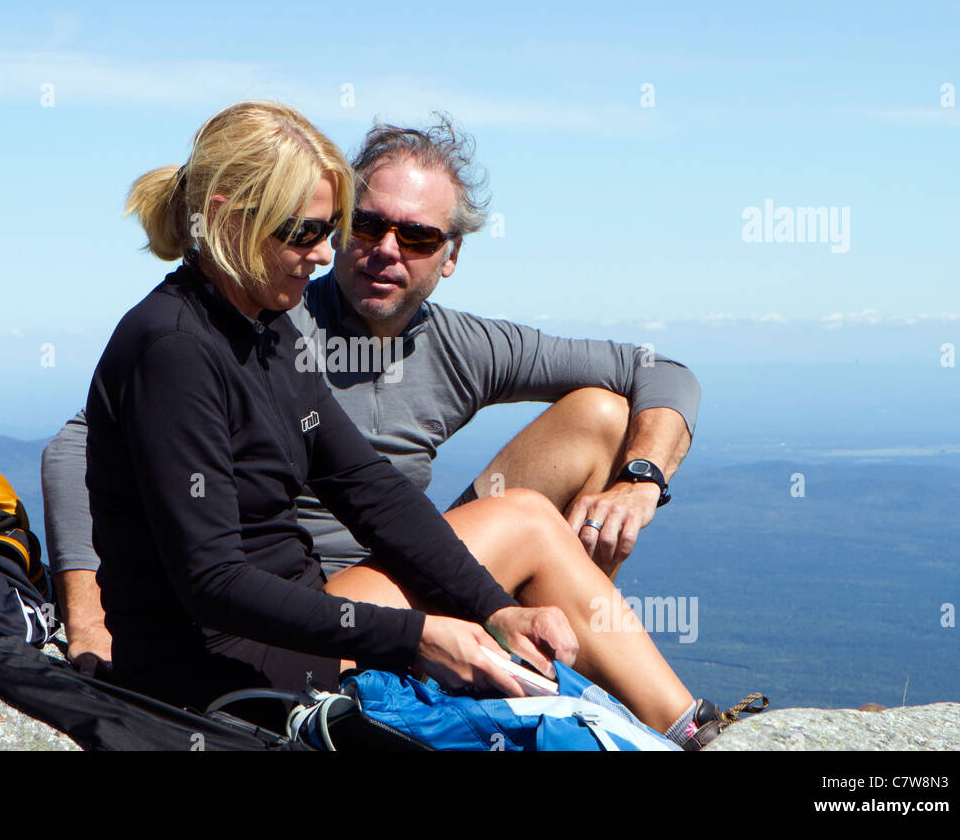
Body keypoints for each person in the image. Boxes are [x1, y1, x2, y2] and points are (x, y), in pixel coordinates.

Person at [78, 99, 717, 747]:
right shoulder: (174, 346)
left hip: (297, 634)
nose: (325, 255)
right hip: (229, 669)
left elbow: (364, 484)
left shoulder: (264, 329)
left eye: (331, 230)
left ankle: (692, 731)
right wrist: (418, 639)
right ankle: (692, 731)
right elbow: (212, 582)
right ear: (224, 219)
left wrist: (493, 610)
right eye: (305, 233)